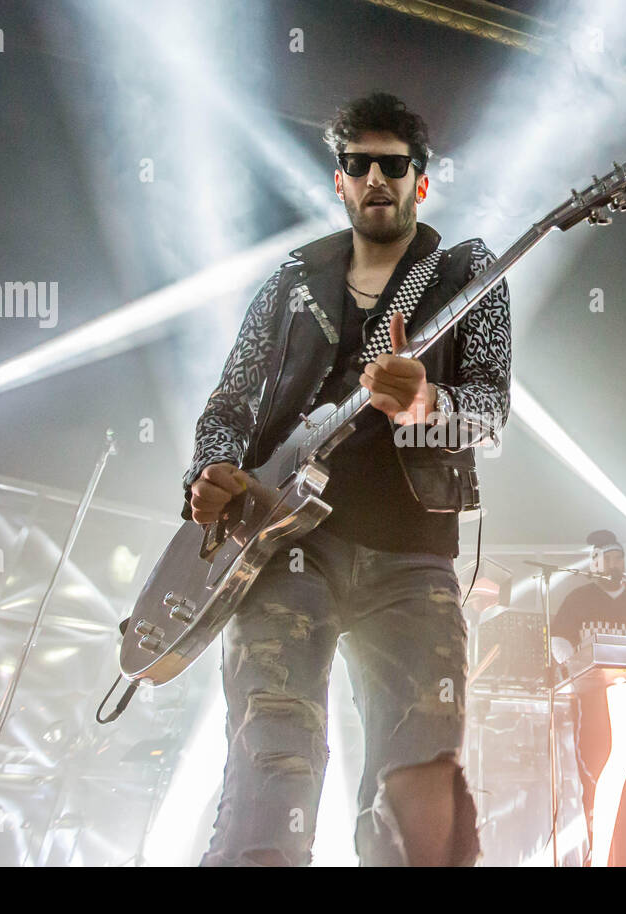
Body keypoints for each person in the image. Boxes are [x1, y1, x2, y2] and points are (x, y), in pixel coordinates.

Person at [183, 91, 511, 866]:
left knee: (423, 779)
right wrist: (209, 471)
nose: (375, 177)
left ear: (420, 182)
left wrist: (427, 402)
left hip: (412, 558)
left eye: (392, 165)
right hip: (283, 550)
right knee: (274, 755)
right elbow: (229, 402)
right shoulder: (293, 282)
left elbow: (491, 409)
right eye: (357, 164)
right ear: (338, 181)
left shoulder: (467, 272)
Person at [551, 530, 626, 866]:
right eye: (607, 559)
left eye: (619, 558)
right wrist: (575, 664)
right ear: (594, 562)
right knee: (598, 782)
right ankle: (598, 856)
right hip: (593, 705)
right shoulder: (578, 598)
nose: (614, 565)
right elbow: (559, 641)